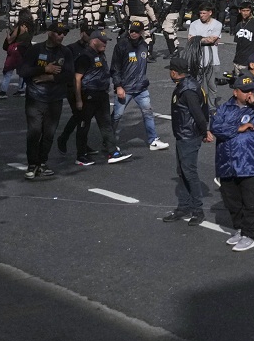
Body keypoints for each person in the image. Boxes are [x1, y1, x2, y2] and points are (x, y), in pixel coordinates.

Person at [210, 69, 254, 252]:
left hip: (252, 164)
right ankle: (240, 229)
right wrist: (237, 128)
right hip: (228, 163)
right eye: (245, 91)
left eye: (252, 90)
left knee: (252, 202)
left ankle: (250, 234)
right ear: (235, 92)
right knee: (232, 200)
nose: (249, 94)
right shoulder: (225, 108)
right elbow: (216, 127)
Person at [60, 29, 125, 165]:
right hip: (88, 95)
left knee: (106, 124)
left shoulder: (101, 54)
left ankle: (112, 152)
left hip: (102, 95)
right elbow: (77, 79)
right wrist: (78, 100)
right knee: (84, 126)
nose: (105, 44)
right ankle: (81, 155)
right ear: (94, 41)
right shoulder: (85, 57)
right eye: (103, 41)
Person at [162, 52, 211, 225]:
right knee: (182, 171)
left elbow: (198, 113)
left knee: (189, 172)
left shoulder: (187, 89)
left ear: (175, 72)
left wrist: (205, 131)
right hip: (184, 134)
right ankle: (184, 206)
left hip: (188, 136)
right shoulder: (188, 84)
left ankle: (197, 210)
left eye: (171, 71)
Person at [19, 20, 71, 179]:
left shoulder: (65, 52)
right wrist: (43, 69)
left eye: (64, 33)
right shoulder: (35, 50)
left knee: (49, 133)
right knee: (34, 132)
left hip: (55, 98)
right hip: (35, 97)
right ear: (50, 33)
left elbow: (69, 75)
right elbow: (22, 70)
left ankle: (42, 162)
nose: (61, 36)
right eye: (58, 32)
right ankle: (32, 164)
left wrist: (49, 77)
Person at [111, 21, 167, 152]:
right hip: (125, 88)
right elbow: (115, 68)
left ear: (141, 32)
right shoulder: (122, 45)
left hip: (141, 88)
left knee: (148, 113)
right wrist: (118, 86)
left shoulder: (144, 45)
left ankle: (153, 140)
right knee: (117, 115)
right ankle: (109, 141)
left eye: (136, 31)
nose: (133, 33)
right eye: (131, 31)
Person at [187, 4, 223, 80]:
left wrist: (197, 38)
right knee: (197, 84)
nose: (201, 15)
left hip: (212, 61)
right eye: (200, 13)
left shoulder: (217, 24)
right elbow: (190, 39)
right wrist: (206, 38)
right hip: (196, 60)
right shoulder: (194, 24)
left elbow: (211, 40)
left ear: (210, 13)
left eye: (204, 13)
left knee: (212, 87)